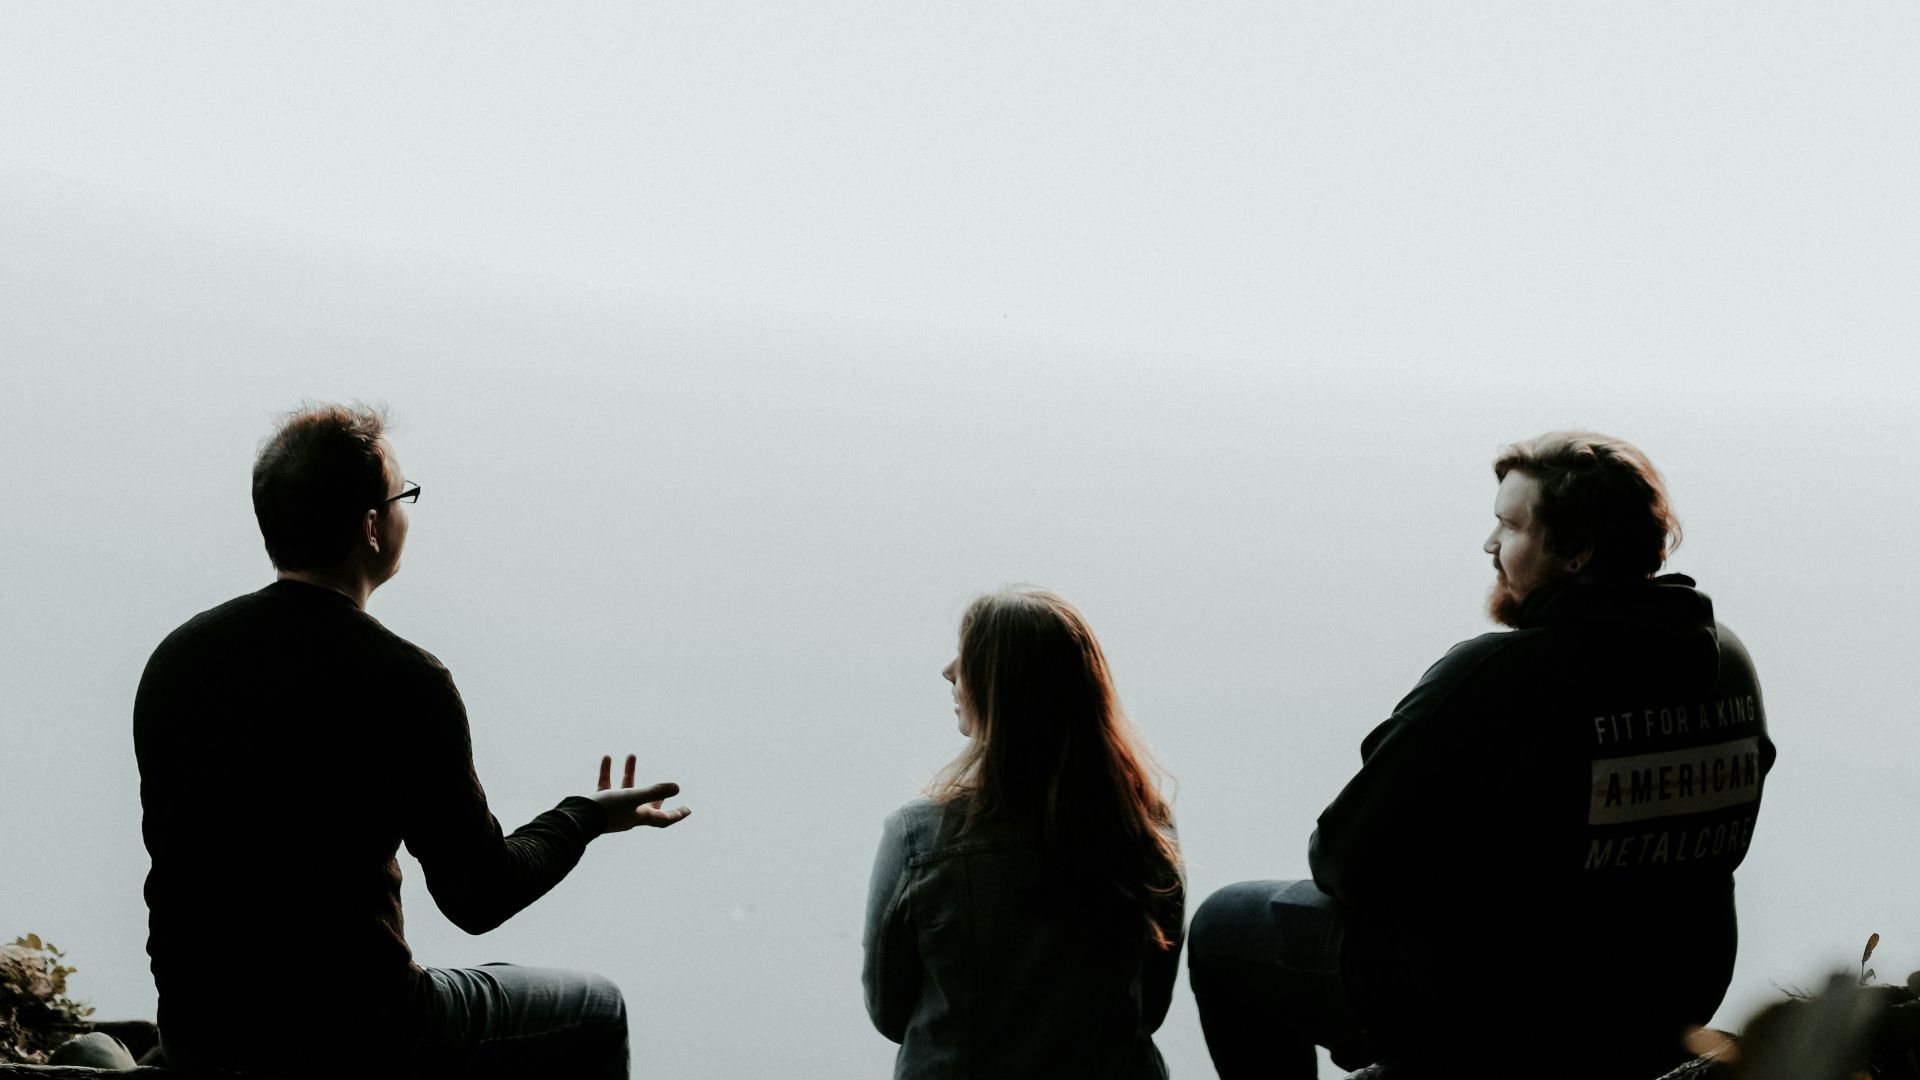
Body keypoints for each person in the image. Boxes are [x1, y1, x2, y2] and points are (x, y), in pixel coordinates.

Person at [1189, 431, 1775, 1079]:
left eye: (1510, 525)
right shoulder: (1727, 660)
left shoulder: (1497, 676)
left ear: (1577, 550)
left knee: (1224, 927)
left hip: (1515, 1012)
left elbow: (1342, 857)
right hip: (1669, 998)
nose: (1491, 545)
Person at [134, 403, 690, 1079]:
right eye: (404, 497)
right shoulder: (402, 678)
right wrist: (590, 816)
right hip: (358, 1036)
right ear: (372, 526)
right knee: (596, 1009)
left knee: (496, 983)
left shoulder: (180, 657)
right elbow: (478, 897)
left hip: (202, 1033)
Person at [862, 589, 1184, 1079]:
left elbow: (888, 1012)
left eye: (968, 656)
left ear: (1004, 687)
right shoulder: (1145, 826)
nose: (949, 670)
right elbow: (1151, 1007)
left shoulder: (919, 836)